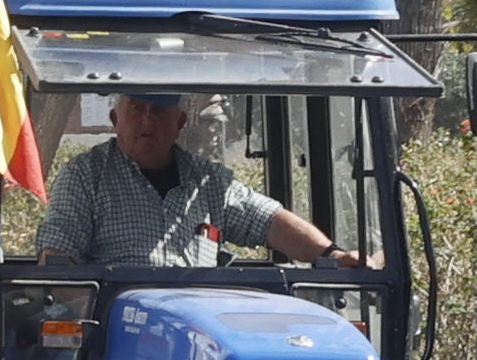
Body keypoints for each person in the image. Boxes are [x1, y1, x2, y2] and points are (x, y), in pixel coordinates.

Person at [24, 89, 339, 276]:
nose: (147, 119)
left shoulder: (208, 181)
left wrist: (332, 256)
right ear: (115, 119)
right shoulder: (84, 176)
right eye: (137, 109)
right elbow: (58, 255)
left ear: (180, 123)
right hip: (113, 335)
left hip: (201, 327)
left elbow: (267, 220)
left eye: (159, 111)